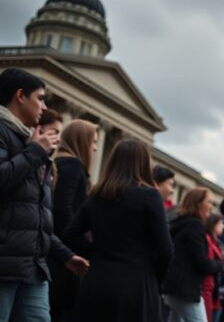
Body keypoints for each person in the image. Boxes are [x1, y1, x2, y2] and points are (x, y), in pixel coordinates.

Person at [0, 68, 89, 321]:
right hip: (5, 266)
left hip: (34, 268)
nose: (44, 105)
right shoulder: (15, 139)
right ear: (20, 96)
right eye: (40, 98)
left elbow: (36, 216)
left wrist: (65, 256)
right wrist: (35, 153)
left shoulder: (32, 143)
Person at [62, 138, 173, 321]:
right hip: (137, 284)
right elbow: (166, 249)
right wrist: (155, 277)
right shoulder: (149, 195)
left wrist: (96, 254)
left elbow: (70, 235)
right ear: (144, 163)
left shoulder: (97, 194)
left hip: (97, 280)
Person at [50, 118, 99, 321]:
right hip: (62, 253)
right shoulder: (73, 165)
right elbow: (63, 210)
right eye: (93, 141)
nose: (95, 148)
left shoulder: (61, 162)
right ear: (81, 140)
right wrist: (81, 245)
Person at [164, 188, 224, 322]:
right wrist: (221, 264)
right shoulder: (194, 225)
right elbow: (201, 263)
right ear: (198, 204)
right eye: (209, 202)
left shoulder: (181, 223)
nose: (211, 206)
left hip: (174, 288)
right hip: (185, 290)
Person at [203, 213, 224, 322]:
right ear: (213, 225)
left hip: (215, 291)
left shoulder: (217, 243)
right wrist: (223, 261)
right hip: (207, 289)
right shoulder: (208, 240)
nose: (223, 226)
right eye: (221, 223)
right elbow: (209, 264)